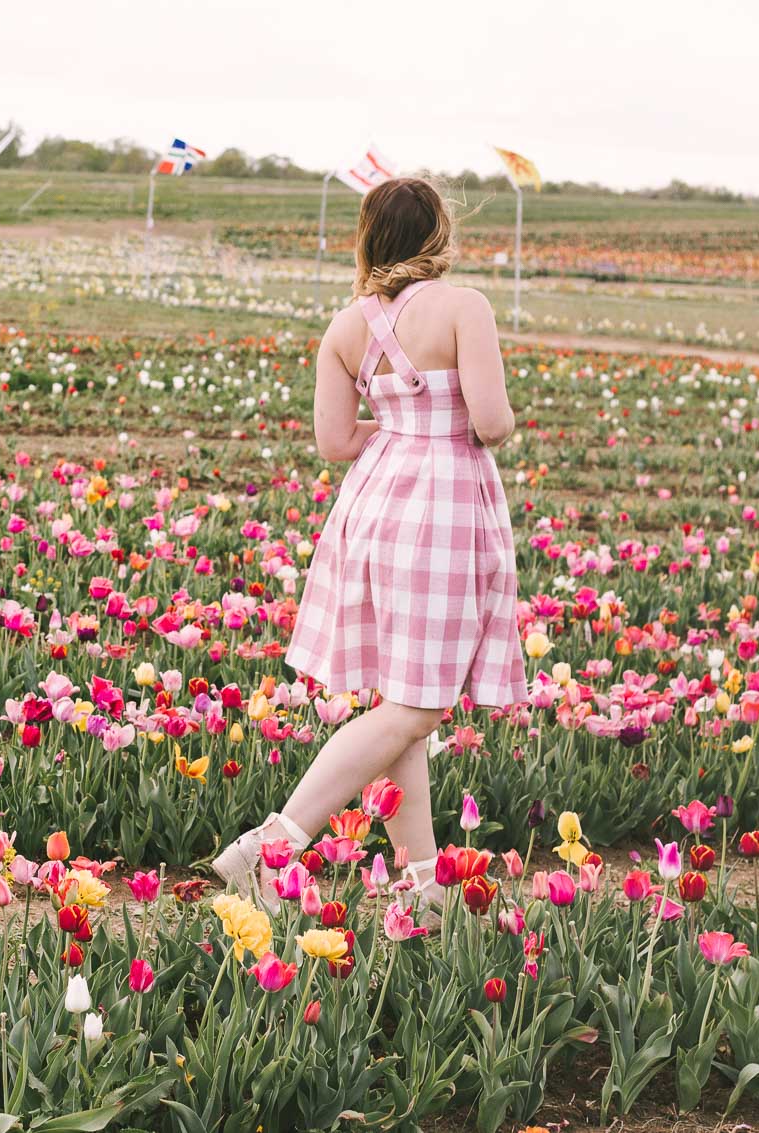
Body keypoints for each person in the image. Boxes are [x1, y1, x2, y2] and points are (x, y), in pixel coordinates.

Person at [212, 176, 526, 915]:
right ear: (438, 234)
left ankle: (422, 887)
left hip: (373, 501)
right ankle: (272, 842)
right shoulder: (464, 307)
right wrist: (439, 425)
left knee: (403, 703)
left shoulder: (345, 327)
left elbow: (333, 441)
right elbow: (492, 421)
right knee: (417, 706)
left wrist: (397, 429)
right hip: (441, 508)